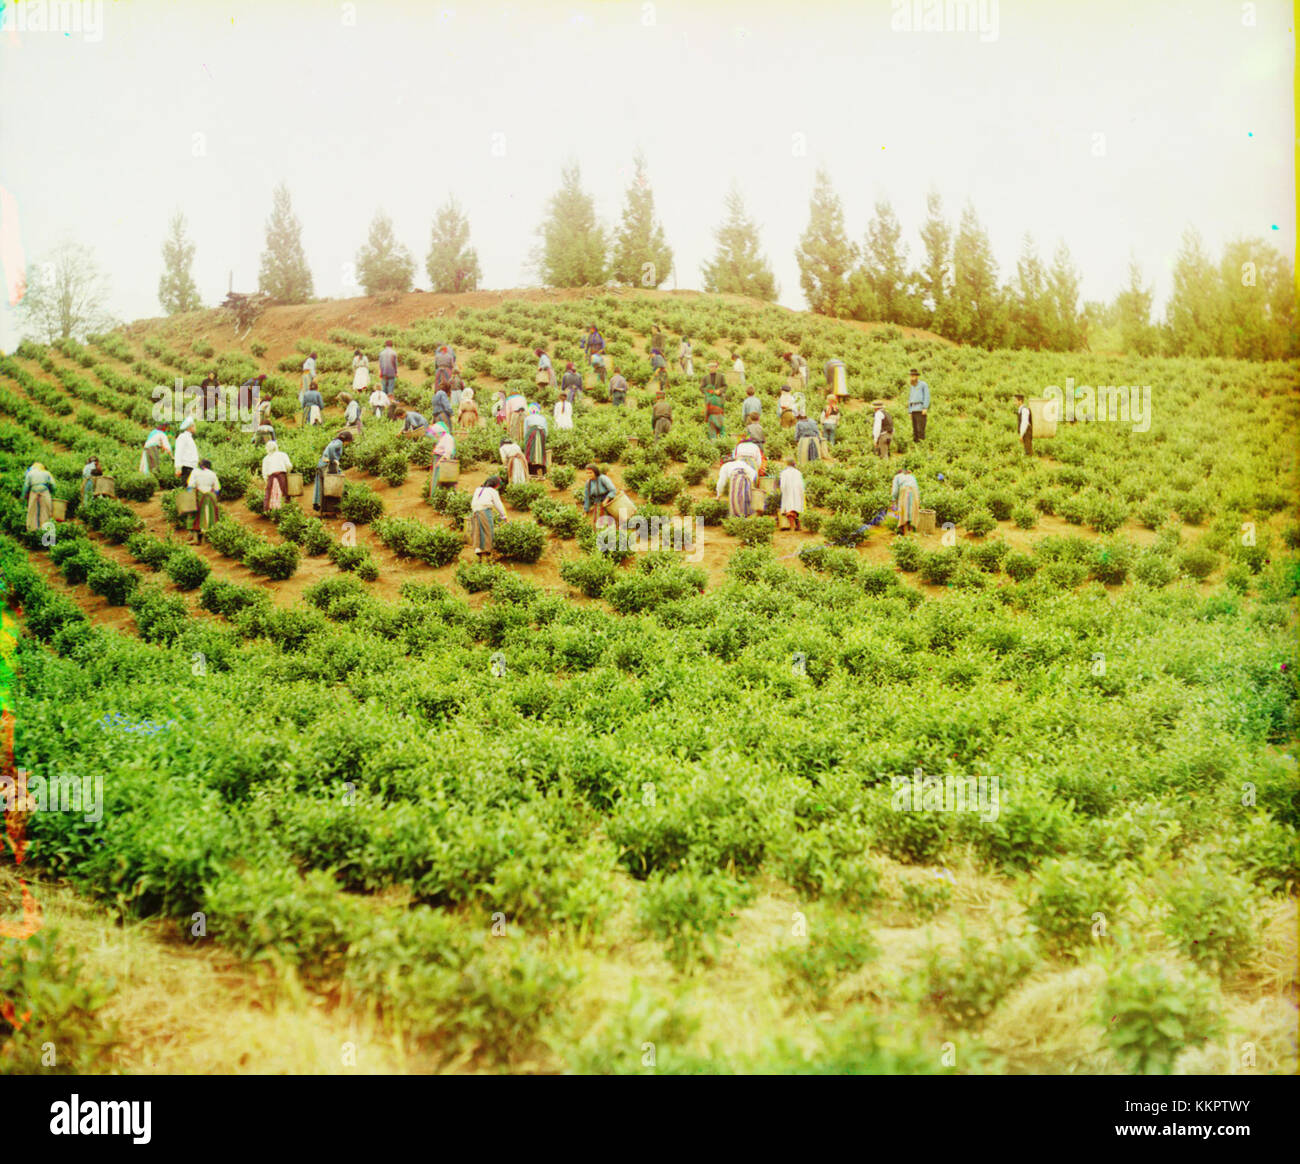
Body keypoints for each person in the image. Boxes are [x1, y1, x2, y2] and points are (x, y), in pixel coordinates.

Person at [313, 430, 354, 515]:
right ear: (346, 440)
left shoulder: (335, 441)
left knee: (323, 487)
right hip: (326, 466)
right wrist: (334, 460)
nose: (348, 444)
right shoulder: (339, 443)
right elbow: (331, 449)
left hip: (321, 465)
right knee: (336, 484)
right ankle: (336, 508)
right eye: (348, 442)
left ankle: (322, 508)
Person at [470, 475, 508, 555]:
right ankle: (487, 550)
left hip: (475, 511)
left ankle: (478, 548)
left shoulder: (478, 489)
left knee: (477, 529)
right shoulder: (492, 491)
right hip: (485, 511)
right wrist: (504, 516)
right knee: (488, 529)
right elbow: (498, 504)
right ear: (495, 484)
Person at [187, 458, 221, 544]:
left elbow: (190, 485)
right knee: (210, 516)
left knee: (194, 516)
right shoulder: (212, 474)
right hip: (210, 497)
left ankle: (195, 539)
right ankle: (207, 538)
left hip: (199, 495)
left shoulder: (195, 472)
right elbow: (217, 488)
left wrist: (189, 496)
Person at [20, 462, 55, 531]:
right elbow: (53, 484)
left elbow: (26, 486)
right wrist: (52, 492)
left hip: (34, 491)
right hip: (44, 490)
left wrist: (23, 496)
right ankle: (44, 529)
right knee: (45, 510)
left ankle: (32, 529)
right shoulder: (46, 473)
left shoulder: (30, 473)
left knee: (32, 510)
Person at [261, 440, 293, 512]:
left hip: (271, 478)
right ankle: (286, 510)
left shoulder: (266, 458)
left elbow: (264, 472)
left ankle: (269, 511)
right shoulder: (283, 454)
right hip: (282, 476)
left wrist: (266, 480)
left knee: (269, 494)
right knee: (284, 492)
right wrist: (288, 472)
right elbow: (289, 465)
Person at [892, 463, 920, 535]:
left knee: (903, 510)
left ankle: (905, 532)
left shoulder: (897, 477)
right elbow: (917, 489)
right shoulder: (912, 477)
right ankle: (910, 530)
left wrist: (893, 499)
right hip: (914, 492)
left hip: (905, 491)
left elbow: (895, 491)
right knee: (912, 510)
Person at [429, 421, 457, 493]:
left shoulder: (447, 438)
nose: (434, 435)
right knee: (436, 479)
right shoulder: (442, 438)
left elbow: (448, 452)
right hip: (438, 460)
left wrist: (440, 461)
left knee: (442, 480)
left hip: (443, 461)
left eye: (435, 434)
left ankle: (440, 497)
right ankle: (435, 497)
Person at [779, 458, 805, 531]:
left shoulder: (784, 473)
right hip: (798, 492)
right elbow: (801, 484)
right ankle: (799, 526)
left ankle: (792, 527)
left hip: (788, 492)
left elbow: (782, 485)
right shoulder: (798, 472)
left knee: (789, 509)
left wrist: (783, 492)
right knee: (797, 508)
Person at [701, 362, 726, 437]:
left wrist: (720, 391)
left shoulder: (721, 376)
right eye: (710, 367)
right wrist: (708, 392)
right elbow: (701, 388)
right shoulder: (705, 377)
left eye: (713, 367)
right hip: (709, 400)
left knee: (720, 417)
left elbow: (725, 386)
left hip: (719, 400)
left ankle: (720, 438)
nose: (712, 368)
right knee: (711, 418)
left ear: (716, 367)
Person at [523, 403, 548, 476]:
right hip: (541, 433)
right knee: (541, 450)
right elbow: (546, 431)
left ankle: (531, 467)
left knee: (530, 450)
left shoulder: (528, 418)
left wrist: (526, 440)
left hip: (532, 433)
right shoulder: (543, 418)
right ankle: (542, 467)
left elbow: (525, 431)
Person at [174, 416, 199, 485]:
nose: (195, 427)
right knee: (186, 489)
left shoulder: (189, 438)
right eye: (193, 425)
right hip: (186, 467)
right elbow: (178, 452)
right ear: (189, 427)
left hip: (192, 467)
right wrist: (178, 467)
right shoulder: (183, 437)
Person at [907, 368, 930, 443]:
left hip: (920, 409)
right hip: (913, 409)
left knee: (920, 429)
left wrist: (925, 407)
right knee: (915, 430)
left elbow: (927, 396)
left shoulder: (923, 385)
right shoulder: (912, 386)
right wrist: (909, 411)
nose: (912, 377)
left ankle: (922, 446)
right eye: (911, 376)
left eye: (913, 376)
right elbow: (910, 399)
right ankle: (916, 447)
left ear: (917, 376)